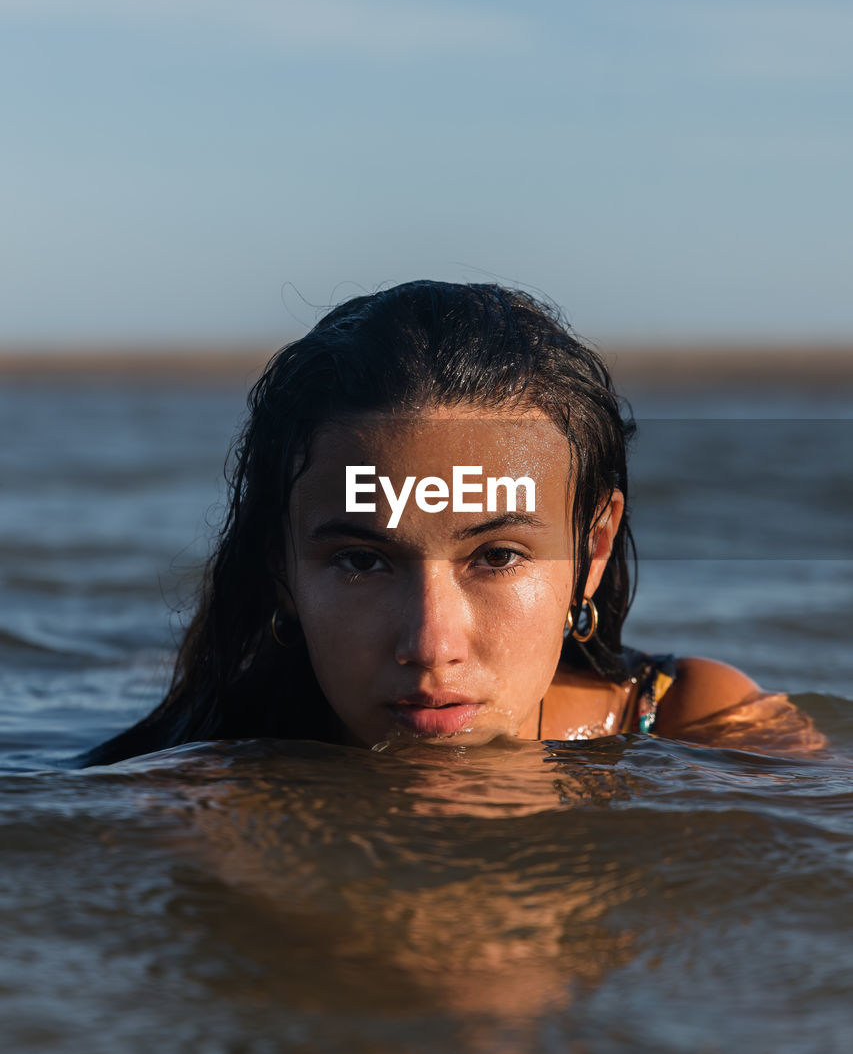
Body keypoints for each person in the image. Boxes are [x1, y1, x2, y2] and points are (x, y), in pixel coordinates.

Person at [83, 280, 823, 764]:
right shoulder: (212, 778)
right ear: (280, 566)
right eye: (360, 561)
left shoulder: (691, 721)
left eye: (496, 556)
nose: (430, 646)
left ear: (590, 551)